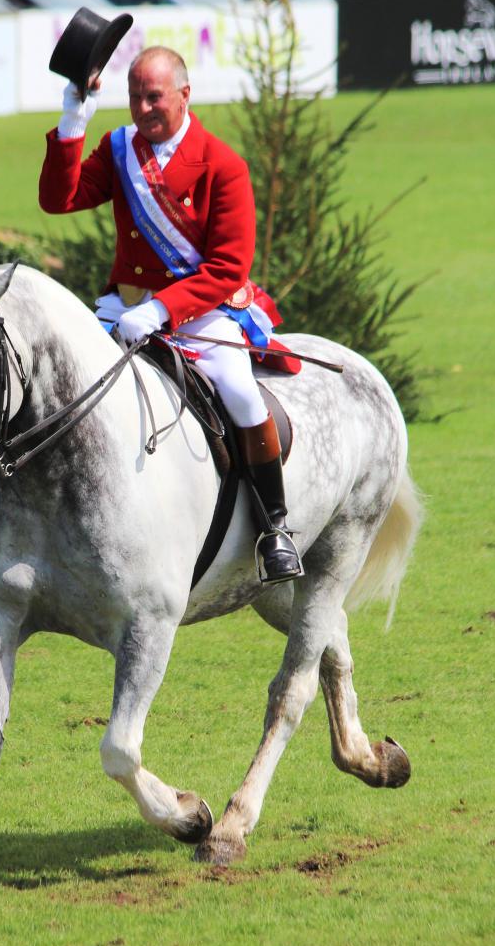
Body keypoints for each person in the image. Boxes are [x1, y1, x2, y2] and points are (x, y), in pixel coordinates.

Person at [37, 46, 303, 584]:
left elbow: (228, 268)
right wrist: (73, 120)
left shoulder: (223, 165)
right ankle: (23, 521)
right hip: (127, 304)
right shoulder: (119, 149)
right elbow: (57, 199)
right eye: (134, 96)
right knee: (55, 378)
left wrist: (163, 308)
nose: (142, 108)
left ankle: (274, 529)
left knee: (240, 393)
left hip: (201, 309)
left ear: (184, 95)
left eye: (153, 97)